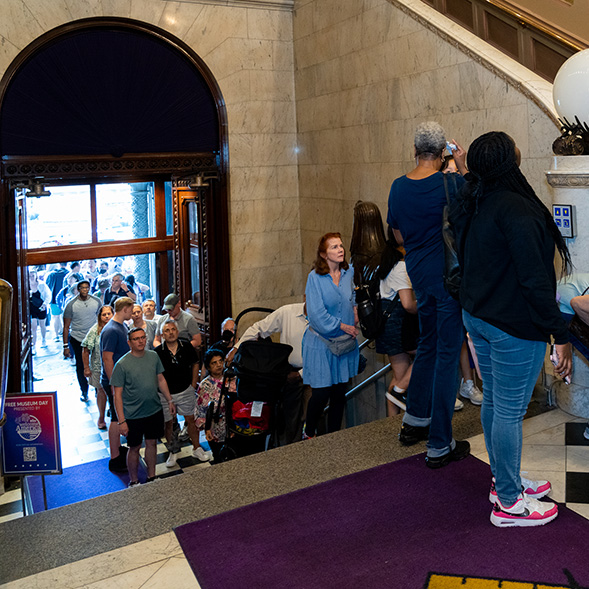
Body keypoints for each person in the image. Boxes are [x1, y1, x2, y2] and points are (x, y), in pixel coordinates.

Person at [449, 130, 572, 527]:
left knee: (496, 401)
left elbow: (469, 180)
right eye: (511, 145)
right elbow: (537, 283)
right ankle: (508, 504)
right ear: (508, 162)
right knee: (508, 410)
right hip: (511, 326)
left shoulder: (474, 200)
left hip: (479, 317)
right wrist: (562, 336)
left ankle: (504, 479)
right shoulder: (517, 210)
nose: (518, 146)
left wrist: (468, 166)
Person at [387, 121, 470, 468]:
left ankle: (414, 420)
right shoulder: (450, 182)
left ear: (415, 150)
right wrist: (462, 164)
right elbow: (474, 205)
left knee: (429, 345)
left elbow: (398, 236)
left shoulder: (398, 187)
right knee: (448, 352)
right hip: (448, 276)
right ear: (442, 153)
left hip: (418, 272)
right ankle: (439, 443)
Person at [302, 233, 359, 438]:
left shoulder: (349, 272)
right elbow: (316, 315)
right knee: (321, 392)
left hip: (344, 343)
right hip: (321, 344)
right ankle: (309, 433)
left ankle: (333, 437)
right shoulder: (314, 278)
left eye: (341, 245)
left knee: (339, 393)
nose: (340, 249)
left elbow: (353, 298)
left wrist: (355, 311)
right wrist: (343, 326)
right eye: (334, 247)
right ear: (324, 254)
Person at [235, 302, 309, 444]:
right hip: (288, 374)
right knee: (286, 418)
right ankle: (284, 448)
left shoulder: (324, 315)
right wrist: (236, 348)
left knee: (307, 417)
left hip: (314, 374)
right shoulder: (288, 312)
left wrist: (301, 374)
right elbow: (258, 328)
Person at [111, 327, 176, 486]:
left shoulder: (153, 356)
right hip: (133, 415)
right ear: (129, 342)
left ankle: (151, 476)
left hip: (154, 410)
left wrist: (169, 400)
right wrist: (121, 421)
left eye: (142, 337)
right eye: (136, 339)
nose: (140, 341)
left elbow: (160, 379)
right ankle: (133, 481)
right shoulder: (122, 364)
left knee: (152, 443)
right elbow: (117, 395)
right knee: (134, 447)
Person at [156, 319, 212, 466]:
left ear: (177, 331)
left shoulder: (186, 346)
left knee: (191, 420)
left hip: (186, 390)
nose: (170, 333)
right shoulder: (157, 352)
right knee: (169, 423)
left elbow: (195, 364)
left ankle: (197, 448)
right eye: (167, 331)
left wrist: (193, 384)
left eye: (173, 329)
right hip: (166, 394)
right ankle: (173, 452)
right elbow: (157, 375)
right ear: (162, 334)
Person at [373, 231, 418, 416]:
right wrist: (427, 305)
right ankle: (400, 423)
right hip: (396, 326)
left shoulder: (386, 265)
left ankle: (392, 423)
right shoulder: (400, 267)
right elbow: (407, 304)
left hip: (387, 324)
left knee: (399, 377)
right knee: (428, 351)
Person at [100, 296, 134, 472]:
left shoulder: (121, 326)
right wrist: (114, 383)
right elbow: (107, 358)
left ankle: (118, 450)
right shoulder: (111, 330)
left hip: (121, 380)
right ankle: (115, 457)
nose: (133, 312)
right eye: (131, 309)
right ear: (125, 309)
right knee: (115, 416)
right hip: (113, 381)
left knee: (118, 414)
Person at [63, 279, 102, 402]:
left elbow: (102, 317)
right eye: (82, 288)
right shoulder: (71, 305)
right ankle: (84, 391)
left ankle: (97, 389)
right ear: (78, 290)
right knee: (80, 365)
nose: (85, 290)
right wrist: (65, 346)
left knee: (96, 363)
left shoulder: (96, 301)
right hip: (77, 338)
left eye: (87, 287)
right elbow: (66, 326)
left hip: (94, 336)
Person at [82, 304, 114, 430]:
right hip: (98, 366)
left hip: (115, 366)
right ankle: (101, 416)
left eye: (108, 314)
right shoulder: (95, 330)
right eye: (104, 314)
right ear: (100, 316)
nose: (106, 317)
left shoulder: (118, 327)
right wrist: (86, 367)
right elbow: (85, 349)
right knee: (101, 391)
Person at [195, 348, 227, 461]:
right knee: (218, 456)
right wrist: (206, 428)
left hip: (229, 427)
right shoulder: (205, 385)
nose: (218, 365)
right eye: (214, 363)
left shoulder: (231, 379)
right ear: (208, 366)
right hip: (213, 427)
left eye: (220, 361)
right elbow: (200, 410)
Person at [29, 269, 51, 352]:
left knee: (42, 325)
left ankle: (43, 339)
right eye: (30, 276)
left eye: (33, 276)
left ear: (36, 276)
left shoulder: (41, 285)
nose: (31, 277)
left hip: (41, 307)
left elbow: (48, 295)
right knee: (33, 326)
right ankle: (34, 345)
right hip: (32, 308)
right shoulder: (26, 285)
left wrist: (45, 304)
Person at [45, 262, 68, 338]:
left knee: (56, 317)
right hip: (66, 299)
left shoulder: (51, 275)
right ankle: (64, 333)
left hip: (53, 299)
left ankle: (56, 335)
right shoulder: (69, 274)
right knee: (65, 317)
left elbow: (47, 287)